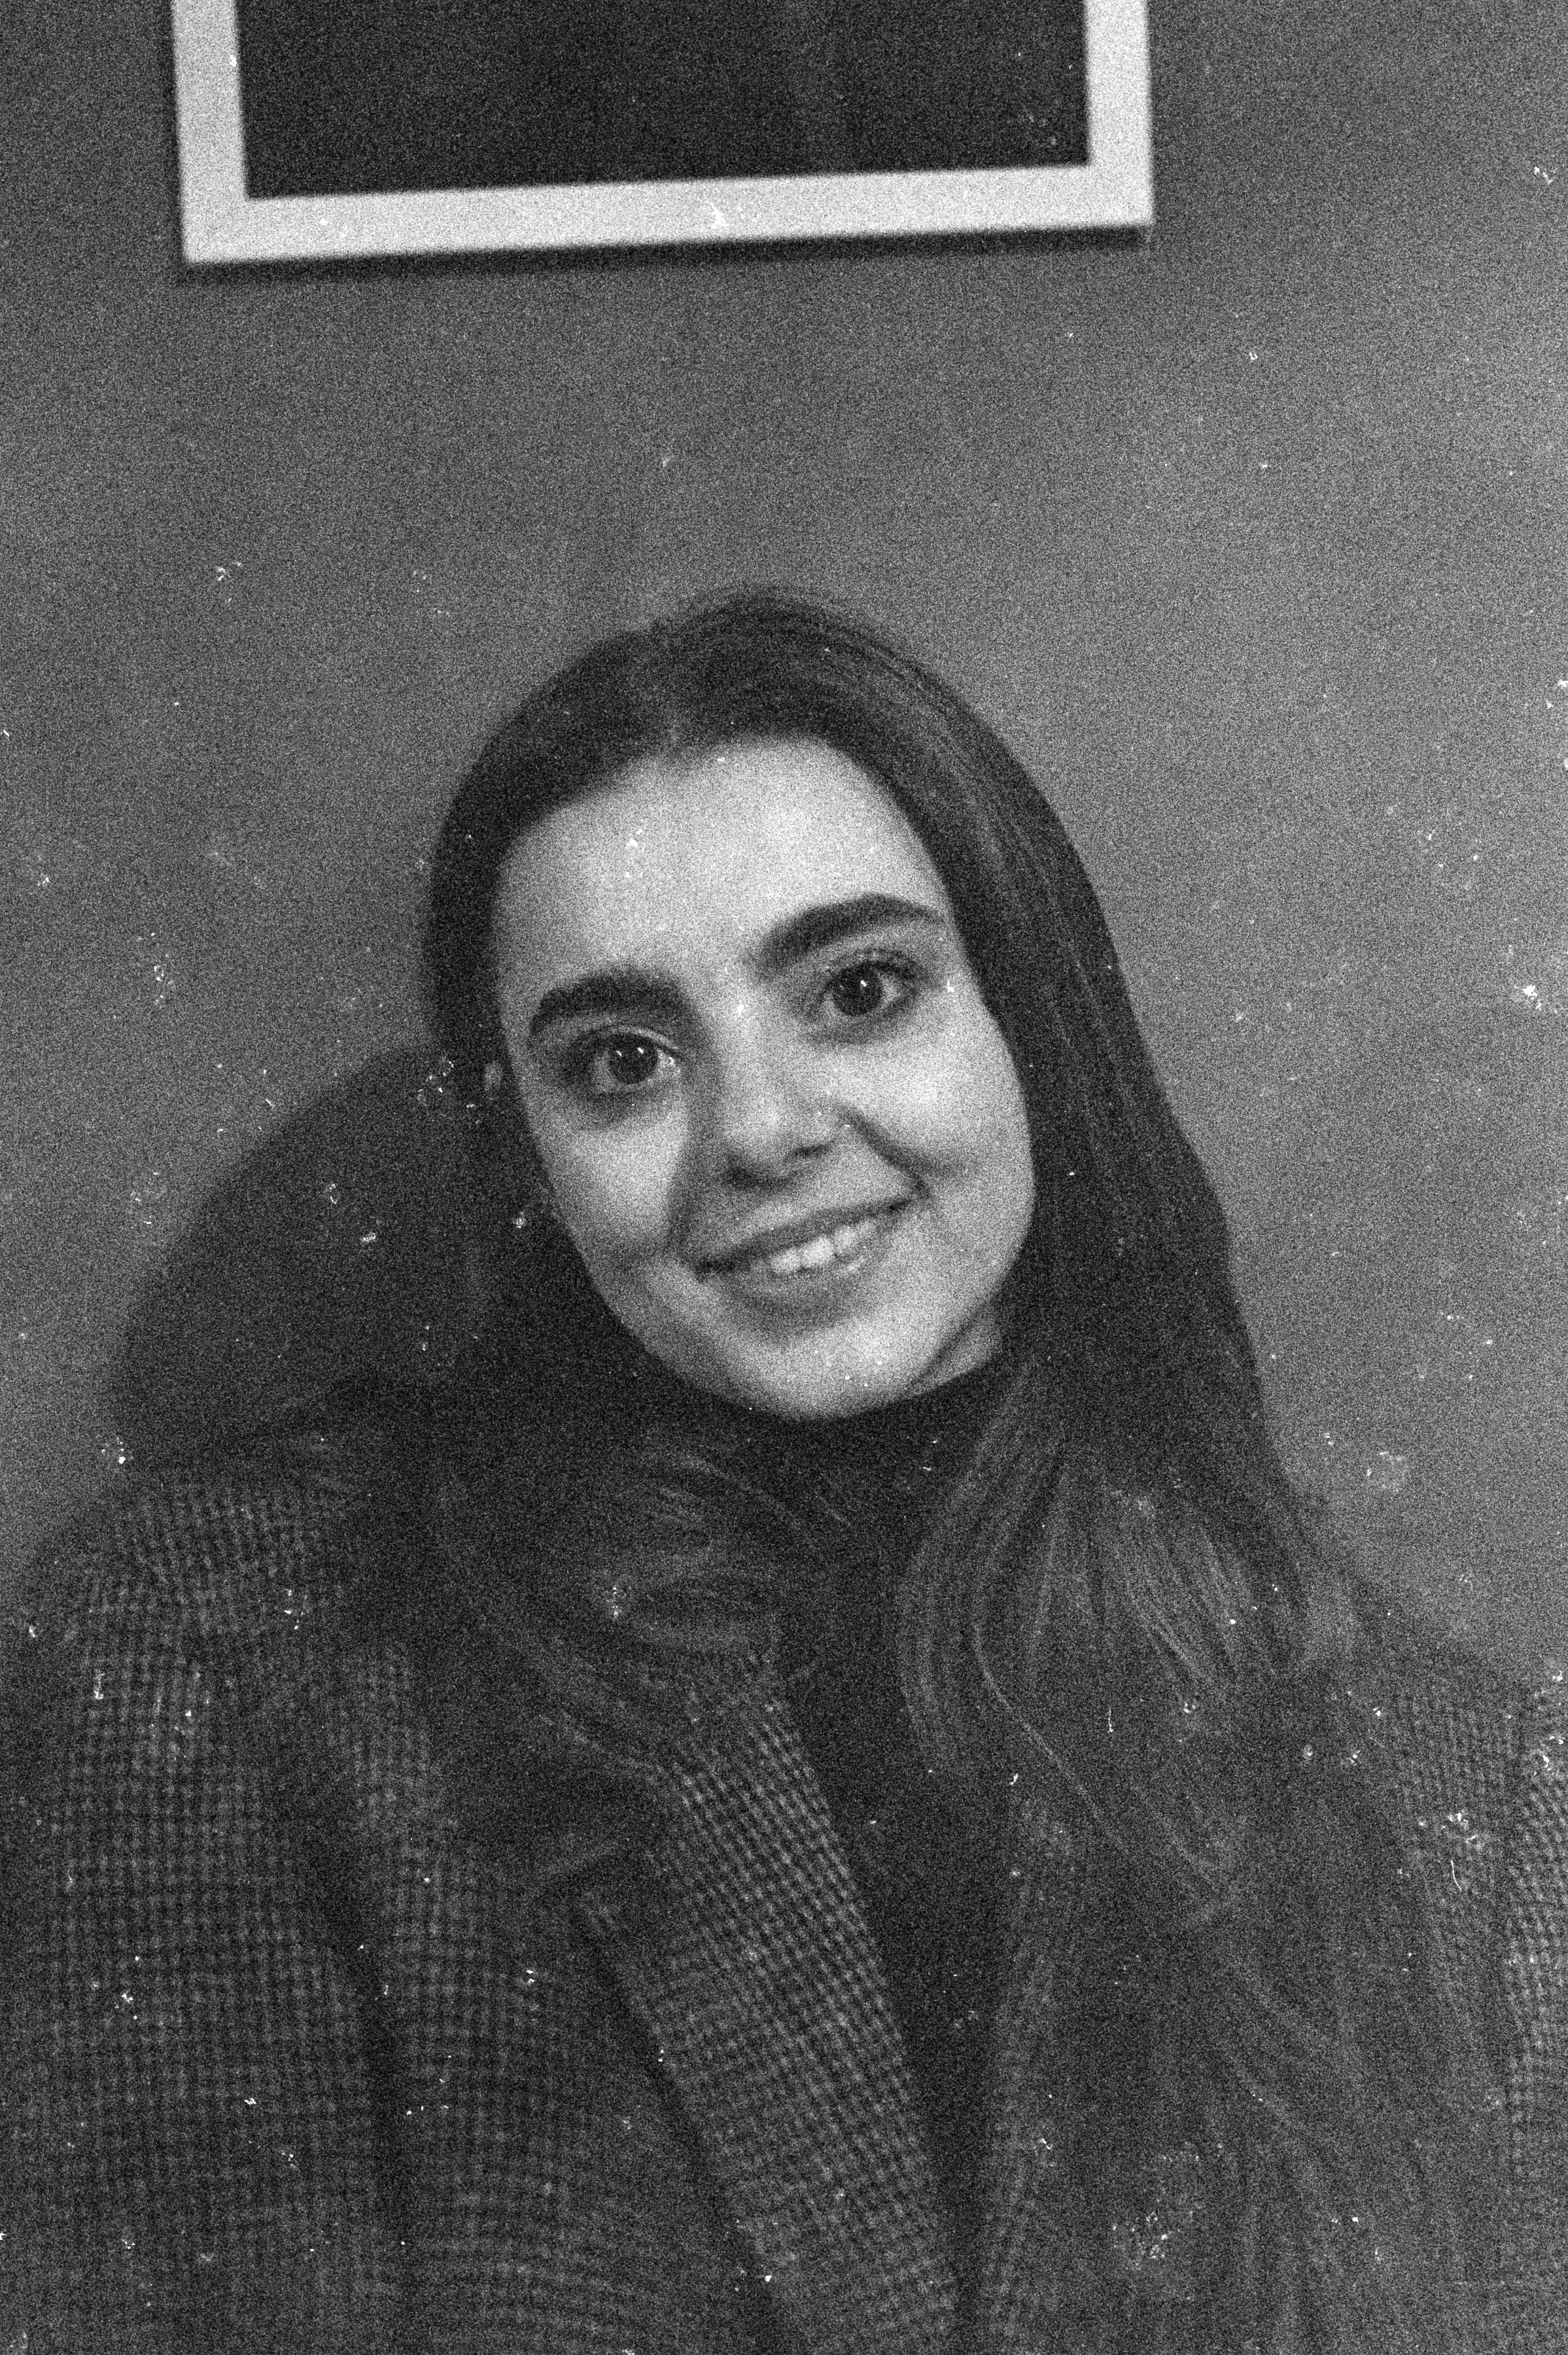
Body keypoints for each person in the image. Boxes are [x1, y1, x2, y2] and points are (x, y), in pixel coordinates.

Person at [3, 589, 1565, 2354]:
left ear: (1035, 1028)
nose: (755, 1129)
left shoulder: (1451, 1789)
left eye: (861, 990)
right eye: (619, 1063)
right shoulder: (222, 1656)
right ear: (525, 1149)